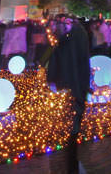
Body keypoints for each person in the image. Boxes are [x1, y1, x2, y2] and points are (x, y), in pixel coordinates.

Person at [46, 15, 90, 174]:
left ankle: (71, 166)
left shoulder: (71, 39)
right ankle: (71, 163)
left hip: (72, 88)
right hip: (75, 88)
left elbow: (58, 60)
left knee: (71, 129)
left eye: (66, 22)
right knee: (72, 129)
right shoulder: (73, 38)